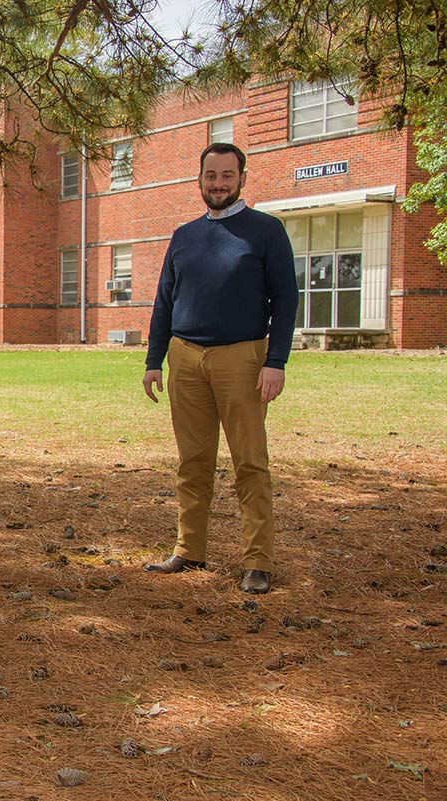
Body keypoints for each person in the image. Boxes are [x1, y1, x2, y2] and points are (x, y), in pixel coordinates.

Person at [141, 142, 298, 595]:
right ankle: (189, 550)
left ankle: (258, 561)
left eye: (227, 176)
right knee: (193, 461)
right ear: (200, 180)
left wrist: (275, 361)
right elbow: (164, 300)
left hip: (242, 360)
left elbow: (286, 300)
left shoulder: (266, 231)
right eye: (211, 176)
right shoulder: (184, 235)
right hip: (185, 358)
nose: (218, 184)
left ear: (242, 178)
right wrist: (154, 359)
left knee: (250, 462)